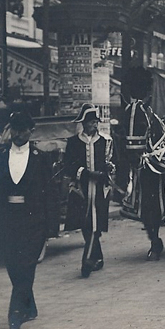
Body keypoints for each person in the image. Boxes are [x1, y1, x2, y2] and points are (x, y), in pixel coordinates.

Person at [0, 111, 57, 329]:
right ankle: (29, 306)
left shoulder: (41, 158)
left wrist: (51, 226)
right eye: (15, 128)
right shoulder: (0, 157)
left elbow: (50, 193)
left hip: (34, 221)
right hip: (6, 220)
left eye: (23, 129)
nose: (18, 133)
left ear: (31, 132)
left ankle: (16, 313)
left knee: (26, 265)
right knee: (14, 265)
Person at [64, 104, 114, 278]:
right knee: (86, 225)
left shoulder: (106, 141)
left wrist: (108, 170)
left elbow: (111, 163)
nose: (94, 124)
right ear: (83, 123)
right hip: (81, 188)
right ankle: (96, 256)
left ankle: (88, 260)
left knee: (96, 225)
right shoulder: (73, 142)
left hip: (100, 189)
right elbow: (68, 166)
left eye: (95, 121)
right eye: (91, 121)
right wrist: (86, 173)